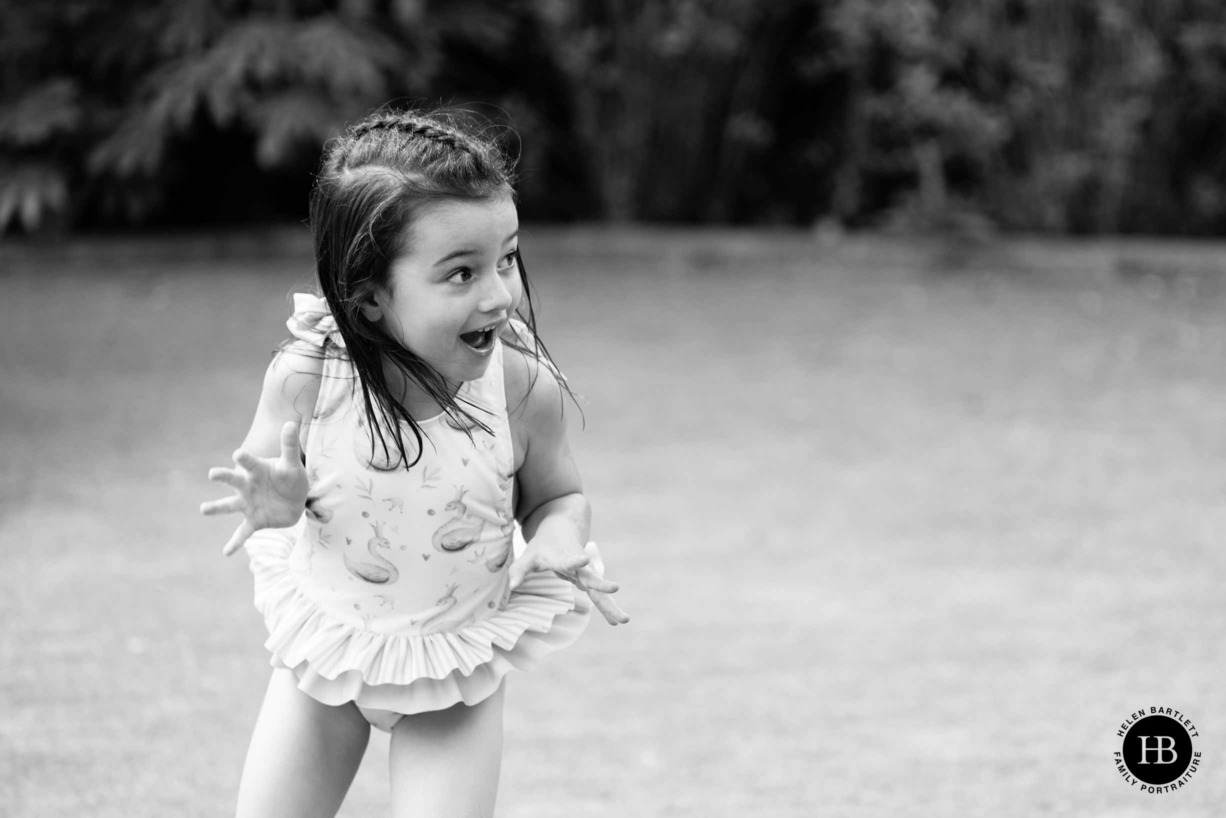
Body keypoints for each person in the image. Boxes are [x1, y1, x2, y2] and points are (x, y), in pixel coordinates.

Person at [200, 106, 628, 818]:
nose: (499, 293)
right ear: (368, 297)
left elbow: (557, 496)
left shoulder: (519, 389)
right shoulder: (309, 377)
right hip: (327, 662)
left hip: (454, 674)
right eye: (461, 273)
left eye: (507, 258)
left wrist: (557, 541)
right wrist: (276, 500)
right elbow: (264, 475)